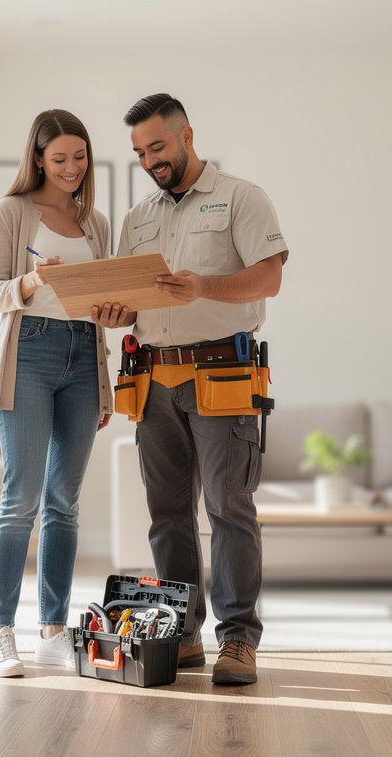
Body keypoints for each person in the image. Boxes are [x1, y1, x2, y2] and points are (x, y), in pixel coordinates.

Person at [115, 93, 288, 685]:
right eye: (139, 152)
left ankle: (238, 640)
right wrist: (114, 312)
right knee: (167, 515)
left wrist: (203, 288)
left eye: (157, 147)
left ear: (188, 135)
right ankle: (181, 634)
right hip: (153, 379)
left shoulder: (241, 196)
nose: (149, 161)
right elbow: (129, 299)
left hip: (223, 376)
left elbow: (269, 277)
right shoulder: (137, 219)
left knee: (229, 508)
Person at [0, 109, 129, 677]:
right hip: (29, 354)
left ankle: (52, 630)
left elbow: (103, 303)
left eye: (80, 157)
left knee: (64, 502)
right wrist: (33, 280)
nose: (71, 168)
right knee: (21, 500)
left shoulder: (97, 223)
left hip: (83, 358)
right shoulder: (11, 212)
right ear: (38, 158)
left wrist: (112, 322)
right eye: (59, 158)